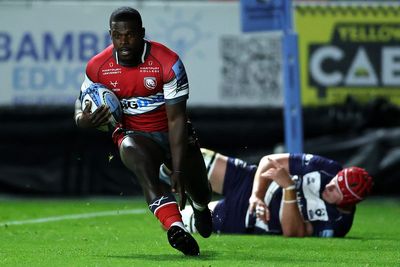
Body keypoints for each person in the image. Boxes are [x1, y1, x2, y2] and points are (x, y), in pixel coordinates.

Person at [73, 7, 212, 256]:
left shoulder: (168, 63)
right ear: (111, 35)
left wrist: (177, 169)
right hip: (134, 136)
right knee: (136, 159)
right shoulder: (97, 67)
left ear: (142, 34)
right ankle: (175, 227)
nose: (124, 42)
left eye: (130, 35)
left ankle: (201, 207)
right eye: (117, 35)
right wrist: (87, 120)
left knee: (200, 189)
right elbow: (79, 110)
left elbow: (177, 120)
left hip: (172, 134)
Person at [160, 148, 373, 237]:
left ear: (348, 202)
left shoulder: (338, 223)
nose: (329, 186)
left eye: (335, 190)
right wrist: (257, 196)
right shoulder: (329, 168)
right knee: (184, 155)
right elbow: (268, 161)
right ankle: (158, 174)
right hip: (248, 180)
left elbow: (293, 231)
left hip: (245, 218)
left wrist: (289, 187)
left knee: (170, 224)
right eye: (334, 181)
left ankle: (194, 203)